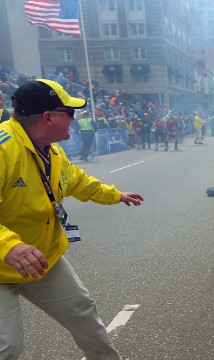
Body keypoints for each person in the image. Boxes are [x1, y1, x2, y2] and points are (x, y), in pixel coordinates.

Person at [1, 79, 144, 359]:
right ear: (48, 117)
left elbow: (79, 182)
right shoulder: (4, 149)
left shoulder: (54, 151)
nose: (74, 119)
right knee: (6, 347)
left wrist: (116, 195)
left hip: (44, 258)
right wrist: (9, 245)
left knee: (84, 314)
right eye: (69, 112)